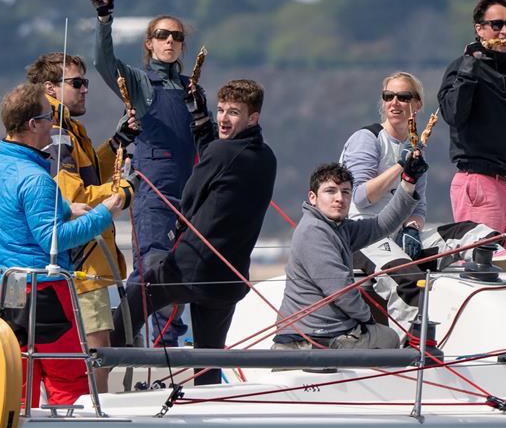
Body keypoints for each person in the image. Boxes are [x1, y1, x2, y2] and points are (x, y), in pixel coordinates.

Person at [111, 80, 276, 385]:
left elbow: (189, 195)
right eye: (221, 110)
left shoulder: (222, 153)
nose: (224, 119)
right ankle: (207, 406)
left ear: (253, 118)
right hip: (229, 278)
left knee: (134, 302)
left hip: (190, 267)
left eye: (234, 113)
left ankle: (102, 359)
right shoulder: (267, 158)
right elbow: (218, 160)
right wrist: (203, 125)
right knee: (208, 363)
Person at [0, 82, 123, 407]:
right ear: (32, 125)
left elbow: (13, 213)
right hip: (43, 293)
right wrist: (105, 213)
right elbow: (53, 240)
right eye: (48, 119)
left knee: (18, 387)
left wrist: (66, 208)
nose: (52, 126)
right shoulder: (37, 179)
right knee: (69, 384)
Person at [91, 0, 206, 346]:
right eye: (161, 35)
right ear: (149, 43)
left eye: (176, 36)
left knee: (163, 273)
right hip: (153, 195)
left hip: (189, 197)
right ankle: (164, 348)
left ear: (183, 45)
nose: (169, 41)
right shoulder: (140, 83)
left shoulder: (194, 90)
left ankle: (127, 340)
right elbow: (103, 63)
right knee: (157, 270)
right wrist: (104, 18)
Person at [26, 52, 137, 393]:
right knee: (96, 355)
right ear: (51, 88)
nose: (85, 89)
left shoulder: (68, 129)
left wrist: (116, 142)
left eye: (85, 82)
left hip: (77, 263)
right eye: (76, 83)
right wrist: (124, 190)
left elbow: (88, 173)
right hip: (83, 264)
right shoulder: (58, 133)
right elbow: (73, 196)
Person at [273, 160, 427, 351]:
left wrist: (408, 183)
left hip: (325, 332)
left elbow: (382, 225)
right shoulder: (313, 230)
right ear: (313, 197)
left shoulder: (339, 228)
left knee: (383, 335)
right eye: (331, 191)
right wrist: (368, 320)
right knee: (389, 338)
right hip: (312, 338)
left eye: (345, 192)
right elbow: (341, 291)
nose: (340, 198)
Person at [438, 0, 506, 256]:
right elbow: (453, 114)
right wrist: (471, 67)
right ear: (479, 29)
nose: (504, 31)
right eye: (497, 25)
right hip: (479, 183)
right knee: (483, 267)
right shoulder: (462, 67)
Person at [339, 72, 428, 337]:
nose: (395, 103)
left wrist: (413, 227)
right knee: (409, 280)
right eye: (389, 96)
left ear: (417, 104)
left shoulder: (416, 147)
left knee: (466, 234)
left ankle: (488, 252)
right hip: (360, 233)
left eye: (403, 97)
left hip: (396, 235)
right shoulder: (367, 138)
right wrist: (402, 167)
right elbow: (360, 197)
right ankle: (410, 347)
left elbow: (419, 207)